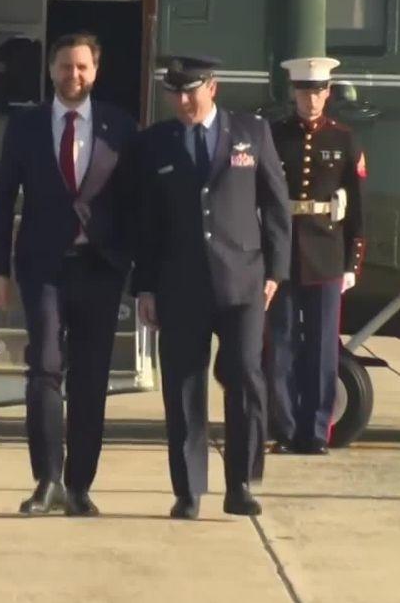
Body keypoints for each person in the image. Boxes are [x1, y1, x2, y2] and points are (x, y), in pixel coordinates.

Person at [0, 33, 138, 517]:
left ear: (96, 71)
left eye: (82, 67)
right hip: (43, 266)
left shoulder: (119, 126)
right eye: (66, 66)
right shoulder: (26, 125)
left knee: (91, 378)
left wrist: (135, 264)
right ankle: (47, 479)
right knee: (45, 367)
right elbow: (3, 199)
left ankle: (80, 486)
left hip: (99, 267)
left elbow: (136, 201)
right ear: (51, 70)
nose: (74, 75)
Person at [132, 55, 291, 519]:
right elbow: (146, 221)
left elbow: (276, 205)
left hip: (243, 282)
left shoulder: (251, 133)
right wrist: (145, 287)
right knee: (184, 387)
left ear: (212, 88)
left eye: (191, 92)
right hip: (180, 284)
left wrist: (276, 272)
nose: (183, 102)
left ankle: (240, 483)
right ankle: (188, 489)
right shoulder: (156, 143)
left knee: (245, 378)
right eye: (175, 94)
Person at [265, 57, 366, 456]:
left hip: (326, 254)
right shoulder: (274, 136)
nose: (311, 99)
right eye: (304, 91)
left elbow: (357, 208)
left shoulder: (343, 139)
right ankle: (286, 429)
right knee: (281, 345)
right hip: (282, 253)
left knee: (323, 349)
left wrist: (352, 263)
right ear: (294, 93)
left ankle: (317, 431)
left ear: (328, 93)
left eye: (318, 91)